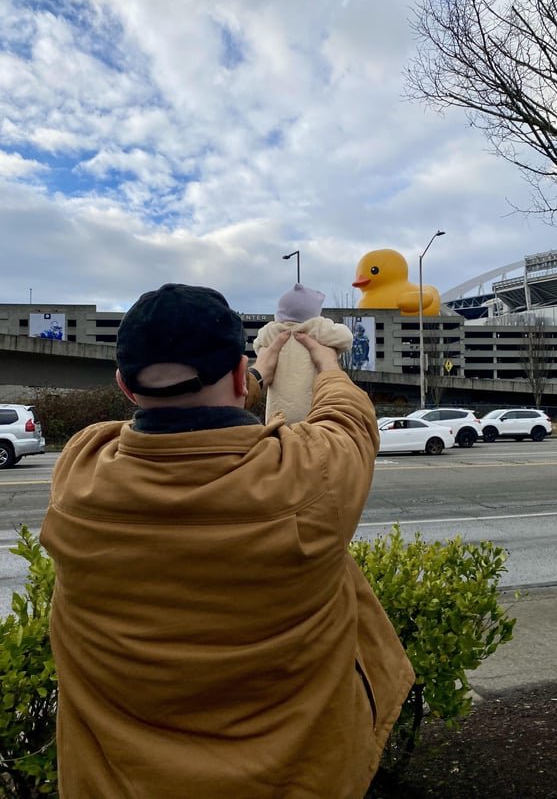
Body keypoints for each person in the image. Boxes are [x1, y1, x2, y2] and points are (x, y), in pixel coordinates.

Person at [41, 282, 414, 799]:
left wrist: (257, 372)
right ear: (238, 375)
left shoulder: (81, 468)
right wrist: (326, 367)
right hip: (297, 779)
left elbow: (171, 418)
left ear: (124, 387)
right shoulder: (308, 474)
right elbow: (348, 419)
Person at [253, 282, 353, 423]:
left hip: (277, 416)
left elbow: (258, 345)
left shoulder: (272, 332)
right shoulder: (317, 328)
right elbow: (346, 338)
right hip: (312, 413)